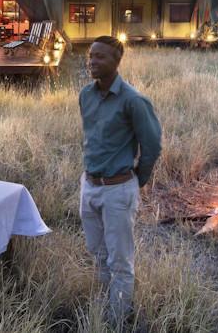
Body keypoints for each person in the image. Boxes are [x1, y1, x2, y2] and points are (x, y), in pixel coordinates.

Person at [78, 35, 162, 323]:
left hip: (118, 190)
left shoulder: (134, 101)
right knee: (97, 253)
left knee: (120, 262)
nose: (92, 61)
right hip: (89, 186)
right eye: (90, 55)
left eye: (100, 56)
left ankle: (116, 321)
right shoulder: (86, 95)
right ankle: (103, 311)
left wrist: (135, 182)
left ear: (117, 61)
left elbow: (152, 146)